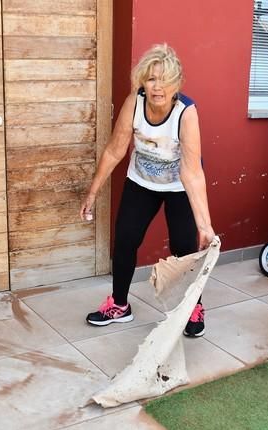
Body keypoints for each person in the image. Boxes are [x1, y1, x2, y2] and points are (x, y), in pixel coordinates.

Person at [80, 43, 215, 337]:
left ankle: (193, 306)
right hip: (141, 182)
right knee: (125, 238)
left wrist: (205, 224)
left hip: (179, 186)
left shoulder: (185, 112)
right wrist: (92, 192)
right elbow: (115, 151)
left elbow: (193, 172)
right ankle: (119, 305)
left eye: (164, 80)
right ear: (143, 81)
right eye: (151, 79)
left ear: (176, 83)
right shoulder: (134, 103)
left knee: (184, 248)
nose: (157, 87)